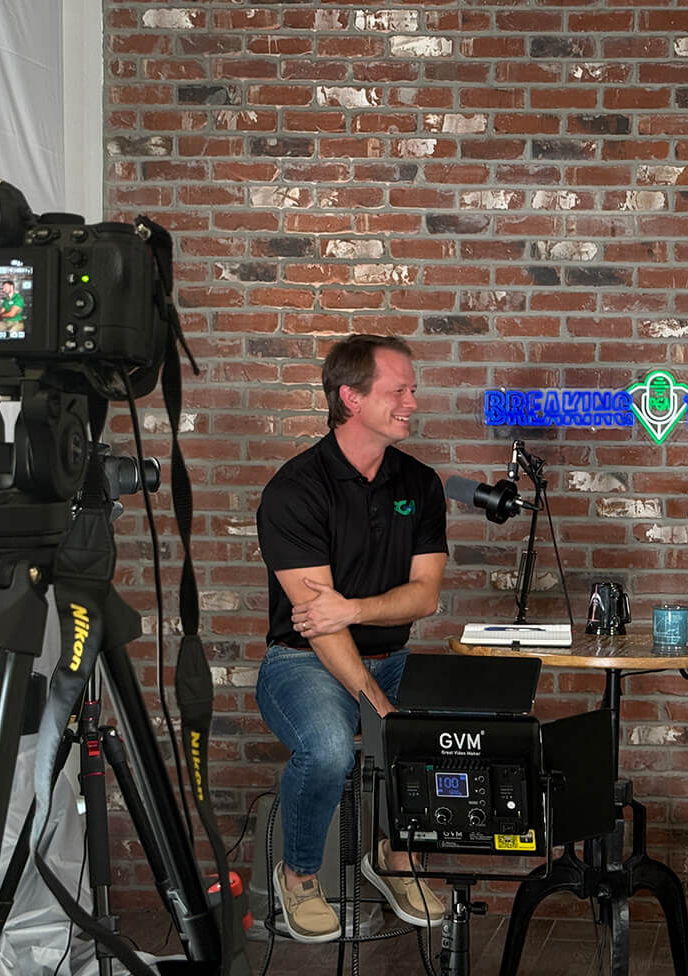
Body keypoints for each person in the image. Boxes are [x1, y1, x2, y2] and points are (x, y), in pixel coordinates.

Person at [256, 334, 449, 943]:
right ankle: (300, 875)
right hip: (301, 663)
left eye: (412, 389)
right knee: (332, 749)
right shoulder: (295, 489)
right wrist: (376, 703)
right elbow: (318, 626)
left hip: (393, 654)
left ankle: (394, 858)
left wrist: (357, 608)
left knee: (444, 736)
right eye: (399, 390)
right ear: (350, 397)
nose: (412, 401)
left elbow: (426, 595)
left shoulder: (419, 484)